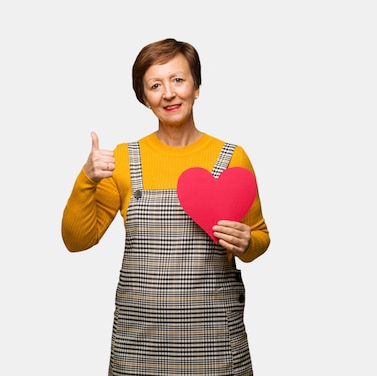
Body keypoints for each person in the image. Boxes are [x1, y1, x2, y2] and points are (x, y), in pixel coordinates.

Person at [61, 38, 270, 375]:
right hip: (138, 339)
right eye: (155, 85)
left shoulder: (232, 158)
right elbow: (77, 240)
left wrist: (248, 243)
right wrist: (86, 178)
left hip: (214, 336)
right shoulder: (123, 160)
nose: (168, 93)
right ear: (145, 98)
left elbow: (259, 237)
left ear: (196, 87)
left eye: (178, 80)